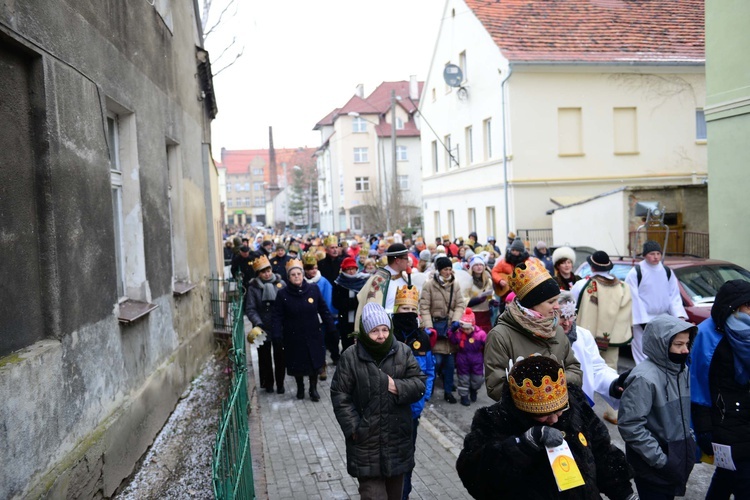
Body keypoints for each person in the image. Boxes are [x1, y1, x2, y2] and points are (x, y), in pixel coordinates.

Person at [456, 356, 636, 500]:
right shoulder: (493, 421)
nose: (555, 419)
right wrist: (523, 445)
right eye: (544, 415)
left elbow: (603, 452)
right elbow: (476, 477)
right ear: (523, 409)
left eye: (560, 410)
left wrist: (624, 493)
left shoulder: (576, 405)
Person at [330, 302, 427, 500]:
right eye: (375, 331)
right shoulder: (351, 356)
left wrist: (397, 386)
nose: (381, 335)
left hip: (397, 440)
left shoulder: (402, 351)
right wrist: (355, 429)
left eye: (384, 329)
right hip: (366, 442)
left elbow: (419, 384)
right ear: (365, 332)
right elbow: (340, 395)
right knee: (373, 495)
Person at [618, 314, 696, 499]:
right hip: (652, 465)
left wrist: (689, 445)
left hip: (674, 457)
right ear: (661, 344)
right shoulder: (644, 378)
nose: (685, 350)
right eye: (678, 344)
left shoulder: (680, 370)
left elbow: (681, 414)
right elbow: (630, 425)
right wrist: (661, 460)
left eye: (686, 344)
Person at [484, 258, 582, 401]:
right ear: (532, 303)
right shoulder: (500, 336)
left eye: (557, 300)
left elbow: (574, 369)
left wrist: (556, 384)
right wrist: (537, 392)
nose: (557, 307)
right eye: (550, 302)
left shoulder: (557, 329)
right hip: (522, 420)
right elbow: (495, 386)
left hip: (560, 414)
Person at [690, 280, 750, 498]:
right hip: (724, 420)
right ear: (733, 306)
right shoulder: (706, 334)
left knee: (727, 476)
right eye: (748, 305)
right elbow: (697, 382)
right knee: (743, 479)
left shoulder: (747, 331)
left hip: (744, 415)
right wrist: (704, 427)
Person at [571, 250, 632, 424]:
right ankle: (613, 412)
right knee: (610, 370)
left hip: (586, 335)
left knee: (585, 369)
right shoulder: (622, 287)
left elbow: (572, 306)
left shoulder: (583, 284)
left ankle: (582, 409)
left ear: (592, 265)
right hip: (613, 336)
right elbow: (625, 313)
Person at [391, 284, 435, 500]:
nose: (407, 314)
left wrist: (422, 399)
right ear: (396, 310)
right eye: (403, 309)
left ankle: (403, 494)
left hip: (412, 410)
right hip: (388, 408)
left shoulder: (422, 338)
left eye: (411, 310)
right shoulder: (387, 333)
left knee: (407, 456)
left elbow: (429, 370)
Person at [271, 258, 336, 402]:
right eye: (293, 275)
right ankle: (300, 387)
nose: (296, 277)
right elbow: (277, 316)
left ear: (302, 275)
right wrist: (276, 333)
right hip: (293, 336)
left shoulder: (313, 289)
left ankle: (313, 388)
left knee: (314, 362)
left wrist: (331, 326)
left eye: (298, 274)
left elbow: (323, 309)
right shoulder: (283, 295)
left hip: (313, 332)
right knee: (297, 364)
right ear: (289, 277)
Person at [558, 291, 628, 408]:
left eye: (570, 316)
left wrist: (614, 384)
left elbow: (596, 369)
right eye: (562, 317)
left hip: (581, 407)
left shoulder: (583, 335)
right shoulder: (544, 338)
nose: (566, 323)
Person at [625, 240, 687, 364]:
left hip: (663, 318)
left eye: (658, 253)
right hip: (643, 320)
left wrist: (679, 315)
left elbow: (673, 295)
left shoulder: (667, 271)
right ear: (644, 255)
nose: (656, 257)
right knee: (643, 352)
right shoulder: (637, 272)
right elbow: (633, 296)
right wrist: (643, 321)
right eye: (652, 253)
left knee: (662, 351)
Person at [419, 256, 468, 404]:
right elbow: (424, 307)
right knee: (436, 361)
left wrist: (455, 320)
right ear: (439, 270)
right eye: (445, 269)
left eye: (449, 269)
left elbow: (460, 304)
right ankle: (430, 388)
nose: (448, 272)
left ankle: (448, 392)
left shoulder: (455, 284)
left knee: (450, 363)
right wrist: (429, 327)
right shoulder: (429, 285)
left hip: (449, 330)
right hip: (436, 329)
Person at [245, 255, 286, 394]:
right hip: (260, 326)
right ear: (259, 274)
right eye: (263, 271)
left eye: (268, 270)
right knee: (264, 357)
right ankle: (268, 383)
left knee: (280, 356)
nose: (267, 274)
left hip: (278, 325)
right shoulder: (253, 288)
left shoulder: (281, 284)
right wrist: (258, 322)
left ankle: (280, 383)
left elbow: (286, 304)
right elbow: (250, 308)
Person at [354, 243, 411, 327]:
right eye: (406, 259)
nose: (408, 261)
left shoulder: (403, 278)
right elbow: (373, 311)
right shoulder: (379, 280)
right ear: (397, 260)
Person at [449, 308, 486, 406]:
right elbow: (452, 340)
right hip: (462, 359)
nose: (465, 331)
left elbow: (487, 344)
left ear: (473, 326)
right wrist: (452, 331)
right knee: (463, 379)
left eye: (468, 329)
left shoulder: (480, 334)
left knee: (477, 380)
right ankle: (464, 396)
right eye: (463, 328)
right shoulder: (459, 334)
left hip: (476, 359)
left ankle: (473, 389)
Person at [333, 257, 369, 355]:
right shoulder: (339, 283)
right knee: (347, 344)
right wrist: (355, 302)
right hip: (345, 320)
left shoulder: (363, 281)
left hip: (361, 318)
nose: (351, 272)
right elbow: (336, 302)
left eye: (353, 269)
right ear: (344, 270)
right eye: (348, 269)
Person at [491, 238, 531, 304]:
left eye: (516, 250)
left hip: (522, 295)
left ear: (521, 252)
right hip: (505, 297)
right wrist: (500, 280)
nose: (514, 252)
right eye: (513, 250)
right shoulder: (504, 262)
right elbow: (494, 271)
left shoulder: (527, 262)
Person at [466, 255, 494, 333]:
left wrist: (491, 300)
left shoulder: (488, 280)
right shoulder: (467, 281)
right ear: (472, 267)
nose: (479, 267)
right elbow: (463, 299)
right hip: (472, 313)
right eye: (476, 265)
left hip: (485, 312)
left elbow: (490, 295)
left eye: (481, 265)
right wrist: (476, 300)